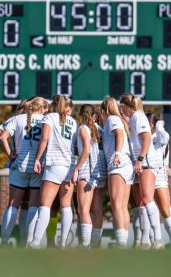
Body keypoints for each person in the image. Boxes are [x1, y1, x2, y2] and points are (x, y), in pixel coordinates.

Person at [0, 97, 49, 245]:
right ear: (42, 108)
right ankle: (29, 243)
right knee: (33, 206)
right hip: (37, 168)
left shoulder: (17, 119)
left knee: (12, 205)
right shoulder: (46, 120)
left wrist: (10, 153)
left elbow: (2, 137)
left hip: (20, 166)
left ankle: (4, 241)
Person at [31, 95, 78, 248]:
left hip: (54, 165)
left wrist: (37, 159)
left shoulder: (50, 117)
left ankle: (35, 242)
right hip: (69, 166)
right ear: (67, 107)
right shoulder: (74, 122)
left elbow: (44, 139)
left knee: (45, 206)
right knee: (66, 206)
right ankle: (63, 243)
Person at [119, 93, 164, 249]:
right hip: (141, 162)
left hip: (146, 162)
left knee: (147, 199)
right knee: (142, 202)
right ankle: (145, 240)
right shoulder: (134, 118)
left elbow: (146, 138)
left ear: (125, 105)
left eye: (121, 106)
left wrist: (139, 159)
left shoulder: (139, 116)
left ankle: (158, 239)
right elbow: (130, 125)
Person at [100, 96, 133, 248]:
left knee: (116, 205)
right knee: (123, 206)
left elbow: (119, 134)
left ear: (104, 110)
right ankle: (123, 241)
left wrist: (117, 154)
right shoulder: (117, 119)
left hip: (118, 164)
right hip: (127, 166)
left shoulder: (112, 119)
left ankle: (120, 243)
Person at [74, 104, 107, 247]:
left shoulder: (83, 128)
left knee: (83, 210)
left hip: (87, 172)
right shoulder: (100, 129)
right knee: (97, 210)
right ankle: (94, 244)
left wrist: (76, 168)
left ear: (81, 114)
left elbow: (86, 151)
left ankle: (86, 245)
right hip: (100, 172)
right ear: (94, 116)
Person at [147, 113, 171, 248]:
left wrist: (159, 126)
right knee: (147, 207)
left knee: (165, 209)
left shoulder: (160, 134)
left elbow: (165, 139)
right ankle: (155, 241)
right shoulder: (140, 134)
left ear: (153, 124)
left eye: (148, 123)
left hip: (159, 174)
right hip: (144, 172)